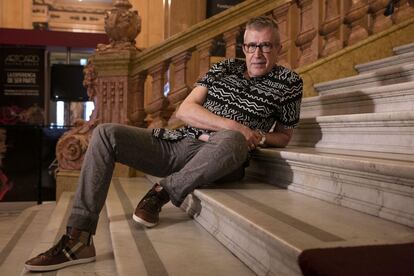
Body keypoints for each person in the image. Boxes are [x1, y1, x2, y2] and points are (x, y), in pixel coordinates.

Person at [24, 16, 303, 271]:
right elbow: (185, 110)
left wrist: (257, 137)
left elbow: (285, 136)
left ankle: (162, 191)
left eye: (266, 46)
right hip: (179, 142)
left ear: (278, 48)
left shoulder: (290, 83)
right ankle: (78, 238)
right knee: (105, 133)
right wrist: (239, 127)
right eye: (252, 45)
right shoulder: (224, 68)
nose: (257, 53)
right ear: (243, 47)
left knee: (231, 140)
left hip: (222, 155)